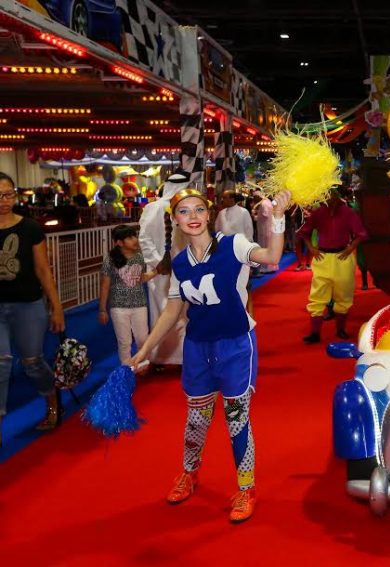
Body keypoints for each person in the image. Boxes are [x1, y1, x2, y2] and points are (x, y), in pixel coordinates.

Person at [129, 187, 292, 523]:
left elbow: (272, 255)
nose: (193, 217)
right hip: (197, 347)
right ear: (175, 220)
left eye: (199, 209)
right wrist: (144, 349)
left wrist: (277, 219)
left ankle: (246, 488)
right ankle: (190, 473)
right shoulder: (179, 263)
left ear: (208, 213)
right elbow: (172, 311)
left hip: (236, 345)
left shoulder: (234, 245)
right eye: (184, 211)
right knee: (196, 419)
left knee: (236, 419)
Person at [0, 172, 65, 447]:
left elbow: (43, 270)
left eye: (8, 194)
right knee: (1, 363)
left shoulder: (30, 228)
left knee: (32, 362)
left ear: (15, 195)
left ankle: (52, 398)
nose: (3, 201)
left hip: (29, 304)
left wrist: (57, 308)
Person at [298, 189, 368, 343]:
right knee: (317, 295)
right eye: (328, 196)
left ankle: (341, 330)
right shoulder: (318, 213)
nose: (331, 199)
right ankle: (315, 333)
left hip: (342, 258)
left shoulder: (348, 212)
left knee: (344, 295)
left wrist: (350, 248)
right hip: (322, 258)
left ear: (338, 197)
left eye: (334, 196)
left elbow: (361, 233)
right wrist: (311, 248)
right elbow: (304, 232)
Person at [138, 171, 190, 366]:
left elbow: (144, 239)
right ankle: (164, 357)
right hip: (162, 272)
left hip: (178, 269)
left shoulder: (184, 208)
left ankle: (178, 357)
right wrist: (160, 263)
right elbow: (144, 238)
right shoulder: (155, 208)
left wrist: (158, 262)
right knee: (168, 313)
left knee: (177, 313)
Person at [98, 225, 158, 365]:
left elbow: (140, 278)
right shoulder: (110, 260)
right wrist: (102, 309)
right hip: (118, 307)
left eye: (134, 236)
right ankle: (126, 369)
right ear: (119, 242)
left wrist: (156, 271)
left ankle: (143, 366)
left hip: (139, 304)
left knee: (143, 339)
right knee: (124, 342)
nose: (135, 240)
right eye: (130, 238)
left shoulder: (139, 258)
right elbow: (105, 286)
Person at [251, 191, 278, 274]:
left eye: (255, 197)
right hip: (269, 228)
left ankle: (266, 268)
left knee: (264, 247)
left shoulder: (263, 203)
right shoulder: (268, 202)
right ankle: (271, 266)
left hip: (264, 229)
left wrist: (255, 215)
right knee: (269, 247)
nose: (254, 199)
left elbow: (265, 215)